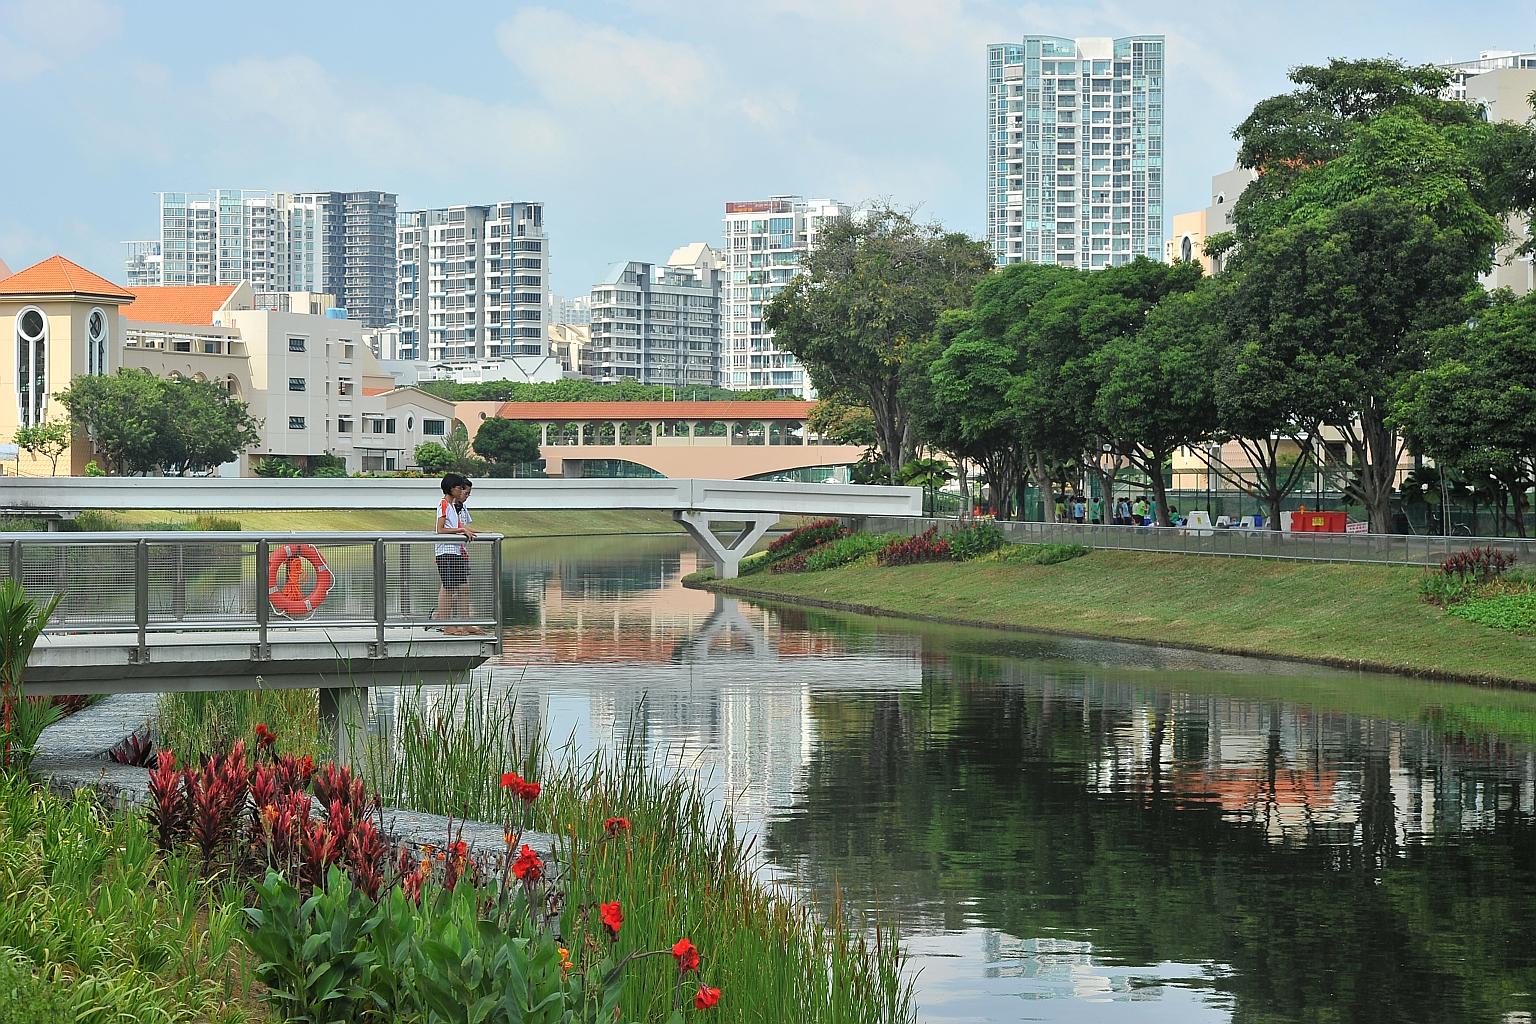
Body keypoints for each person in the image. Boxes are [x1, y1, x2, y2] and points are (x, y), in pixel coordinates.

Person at [434, 473, 480, 635]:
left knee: (462, 588)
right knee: (449, 588)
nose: (461, 491)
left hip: (456, 552)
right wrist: (461, 530)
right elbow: (440, 530)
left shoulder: (453, 506)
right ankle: (447, 626)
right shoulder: (444, 505)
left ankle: (465, 624)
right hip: (447, 552)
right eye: (459, 488)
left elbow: (458, 526)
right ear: (452, 489)